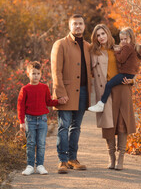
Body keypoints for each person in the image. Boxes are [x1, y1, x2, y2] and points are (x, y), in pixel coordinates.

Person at [89, 24, 137, 170]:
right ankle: (111, 157)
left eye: (103, 33)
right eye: (98, 35)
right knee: (108, 125)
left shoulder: (119, 49)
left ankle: (121, 158)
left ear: (108, 34)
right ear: (95, 38)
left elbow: (134, 65)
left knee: (122, 124)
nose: (101, 37)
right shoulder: (94, 53)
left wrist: (133, 80)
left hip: (122, 89)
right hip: (106, 92)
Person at [51, 14, 91, 174]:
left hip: (82, 92)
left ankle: (72, 159)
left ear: (84, 26)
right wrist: (60, 92)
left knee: (76, 127)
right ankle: (62, 161)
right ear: (70, 26)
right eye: (75, 24)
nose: (78, 26)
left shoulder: (88, 46)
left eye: (80, 23)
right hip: (65, 92)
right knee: (63, 126)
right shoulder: (60, 44)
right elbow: (55, 71)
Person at [17, 61, 65, 176]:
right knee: (30, 143)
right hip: (30, 120)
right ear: (28, 74)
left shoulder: (44, 88)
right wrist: (22, 122)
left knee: (41, 143)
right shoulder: (25, 89)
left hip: (42, 120)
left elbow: (48, 101)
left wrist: (58, 101)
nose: (36, 76)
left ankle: (40, 165)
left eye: (38, 73)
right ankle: (29, 166)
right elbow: (20, 106)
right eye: (33, 73)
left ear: (41, 74)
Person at [88, 27, 141, 112]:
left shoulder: (123, 48)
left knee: (109, 85)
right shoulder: (131, 48)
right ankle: (101, 104)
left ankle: (101, 104)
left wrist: (116, 52)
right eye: (121, 39)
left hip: (124, 80)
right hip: (126, 76)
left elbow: (121, 59)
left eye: (125, 39)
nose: (123, 41)